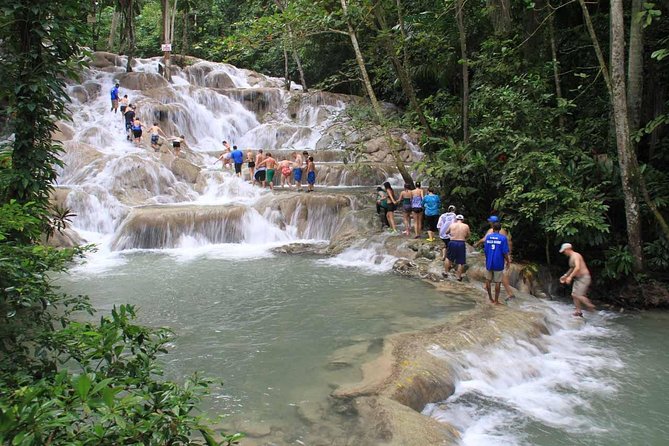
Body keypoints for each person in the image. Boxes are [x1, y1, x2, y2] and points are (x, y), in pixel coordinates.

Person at [475, 215, 516, 301]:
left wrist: (477, 244)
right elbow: (509, 242)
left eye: (490, 221)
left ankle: (509, 293)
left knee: (500, 274)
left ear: (492, 223)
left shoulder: (491, 230)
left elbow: (484, 240)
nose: (489, 222)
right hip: (503, 254)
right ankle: (487, 287)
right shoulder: (503, 231)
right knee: (499, 273)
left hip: (496, 255)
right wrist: (509, 255)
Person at [559, 243, 596, 317]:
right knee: (574, 295)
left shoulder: (576, 255)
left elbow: (577, 267)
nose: (564, 253)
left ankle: (590, 306)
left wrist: (570, 277)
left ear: (568, 249)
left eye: (564, 251)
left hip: (584, 278)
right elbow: (572, 268)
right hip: (578, 278)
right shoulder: (571, 257)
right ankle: (578, 311)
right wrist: (565, 276)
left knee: (578, 295)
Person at [484, 222, 511, 305]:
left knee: (488, 280)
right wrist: (508, 261)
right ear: (499, 229)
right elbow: (505, 252)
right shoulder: (503, 238)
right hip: (498, 262)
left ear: (493, 228)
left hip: (489, 261)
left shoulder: (488, 237)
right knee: (498, 282)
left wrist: (488, 258)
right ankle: (496, 301)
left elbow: (485, 250)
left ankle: (490, 298)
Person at [444, 214, 470, 281]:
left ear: (456, 219)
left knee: (448, 258)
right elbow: (468, 235)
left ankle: (446, 272)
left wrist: (452, 234)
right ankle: (458, 277)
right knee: (461, 261)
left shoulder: (452, 225)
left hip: (452, 242)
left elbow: (446, 232)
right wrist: (464, 238)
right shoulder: (466, 226)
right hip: (461, 243)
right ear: (463, 220)